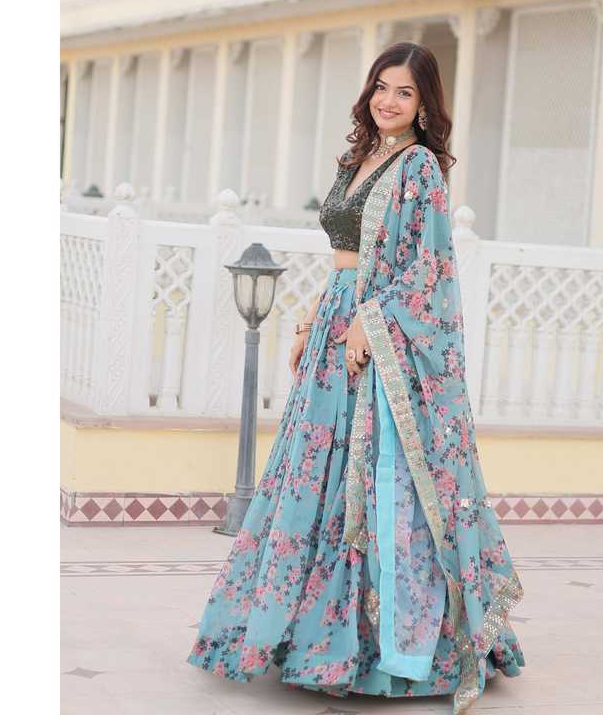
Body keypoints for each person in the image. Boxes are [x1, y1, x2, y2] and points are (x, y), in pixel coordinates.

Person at [187, 41, 524, 713]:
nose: (388, 101)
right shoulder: (359, 159)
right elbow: (348, 256)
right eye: (381, 87)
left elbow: (429, 267)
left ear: (424, 105)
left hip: (377, 338)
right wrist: (316, 318)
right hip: (337, 325)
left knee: (372, 481)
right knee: (315, 475)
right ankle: (302, 636)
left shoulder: (419, 167)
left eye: (404, 92)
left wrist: (374, 322)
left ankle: (379, 650)